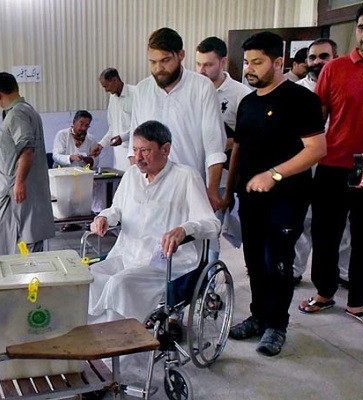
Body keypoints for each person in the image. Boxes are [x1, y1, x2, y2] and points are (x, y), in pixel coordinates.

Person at [88, 120, 220, 381]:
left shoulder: (185, 177)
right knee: (89, 278)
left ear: (166, 149)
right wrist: (104, 217)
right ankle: (94, 350)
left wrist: (185, 228)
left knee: (119, 285)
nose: (138, 157)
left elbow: (211, 223)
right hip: (126, 253)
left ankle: (111, 366)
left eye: (145, 151)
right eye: (135, 150)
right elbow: (117, 210)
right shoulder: (131, 177)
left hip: (165, 263)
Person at [224, 31, 326, 356]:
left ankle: (276, 325)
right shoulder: (248, 103)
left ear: (278, 62)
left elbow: (317, 149)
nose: (250, 69)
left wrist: (275, 174)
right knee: (254, 260)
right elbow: (238, 149)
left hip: (287, 198)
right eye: (248, 62)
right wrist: (229, 191)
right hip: (249, 197)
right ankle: (258, 316)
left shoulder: (301, 100)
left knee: (277, 261)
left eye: (258, 62)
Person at [299, 1, 363, 328]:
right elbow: (317, 118)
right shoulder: (335, 68)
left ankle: (358, 301)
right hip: (334, 164)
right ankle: (325, 292)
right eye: (362, 27)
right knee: (325, 233)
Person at [127, 27, 226, 212]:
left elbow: (214, 147)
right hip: (152, 191)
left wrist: (212, 191)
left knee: (187, 239)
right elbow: (135, 148)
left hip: (190, 189)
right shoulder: (142, 90)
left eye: (165, 60)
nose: (158, 68)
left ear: (181, 55)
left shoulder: (202, 87)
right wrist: (138, 186)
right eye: (153, 62)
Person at [292, 38, 351, 286]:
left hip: (337, 163)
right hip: (305, 163)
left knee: (343, 223)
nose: (317, 62)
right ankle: (295, 269)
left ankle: (344, 271)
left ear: (334, 58)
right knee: (303, 219)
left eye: (323, 57)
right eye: (312, 58)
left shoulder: (345, 84)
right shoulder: (295, 91)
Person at [195, 36, 252, 257]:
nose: (201, 70)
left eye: (208, 64)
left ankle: (211, 277)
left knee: (212, 229)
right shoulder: (193, 90)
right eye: (198, 64)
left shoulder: (241, 94)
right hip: (193, 168)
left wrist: (222, 142)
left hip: (223, 172)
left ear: (223, 62)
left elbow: (246, 138)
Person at [0, 72, 55, 255]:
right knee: (21, 242)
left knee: (8, 246)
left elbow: (27, 148)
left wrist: (19, 182)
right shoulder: (28, 110)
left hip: (13, 197)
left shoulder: (17, 114)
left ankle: (14, 283)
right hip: (20, 195)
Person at [90, 68, 135, 171]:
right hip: (118, 155)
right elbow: (112, 128)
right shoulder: (112, 98)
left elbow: (141, 126)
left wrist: (123, 137)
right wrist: (101, 145)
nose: (106, 90)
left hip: (133, 151)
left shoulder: (136, 93)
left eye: (106, 86)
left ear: (115, 80)